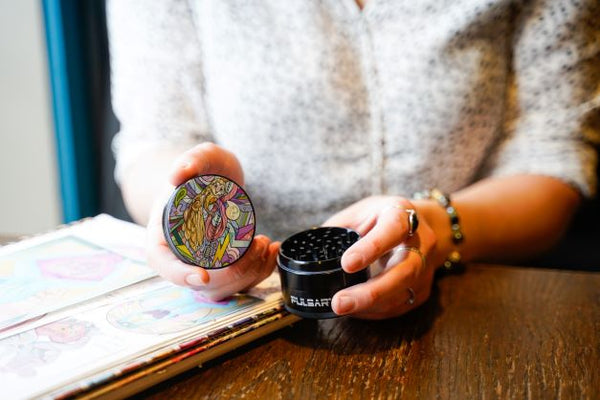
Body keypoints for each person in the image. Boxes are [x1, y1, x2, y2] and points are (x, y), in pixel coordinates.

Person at [107, 0, 599, 319]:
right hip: (250, 306)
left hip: (477, 297)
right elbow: (153, 143)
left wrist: (430, 224)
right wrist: (187, 215)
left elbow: (554, 157)